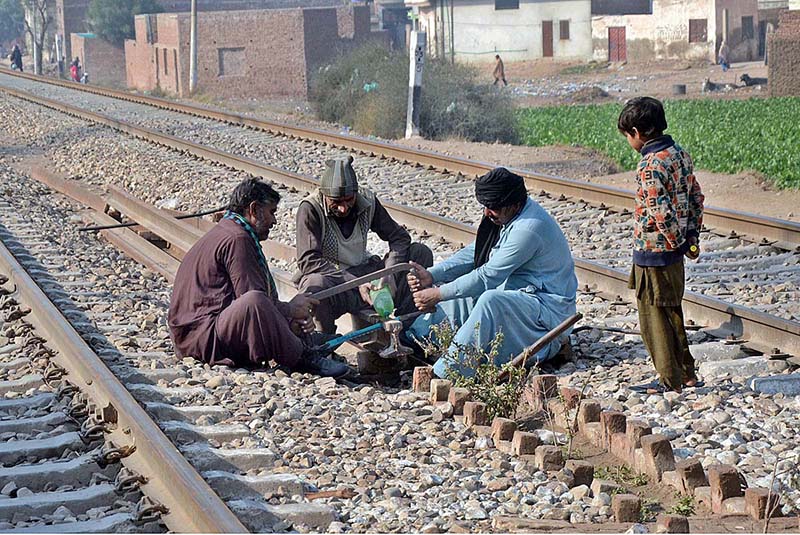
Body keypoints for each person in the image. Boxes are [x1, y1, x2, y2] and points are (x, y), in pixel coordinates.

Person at [406, 167, 578, 378]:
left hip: (547, 315)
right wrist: (432, 275)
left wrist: (438, 293)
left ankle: (447, 373)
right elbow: (476, 253)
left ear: (514, 205)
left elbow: (488, 276)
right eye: (485, 207)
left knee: (489, 300)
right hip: (521, 297)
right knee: (459, 298)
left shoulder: (528, 229)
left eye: (492, 208)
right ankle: (414, 343)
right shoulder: (505, 217)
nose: (487, 213)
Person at [168, 178, 349, 378]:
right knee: (255, 300)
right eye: (271, 212)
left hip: (198, 334)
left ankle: (299, 341)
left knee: (261, 303)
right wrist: (290, 310)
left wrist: (288, 321)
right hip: (202, 339)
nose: (274, 221)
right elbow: (253, 303)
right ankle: (303, 356)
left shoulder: (230, 230)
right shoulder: (238, 239)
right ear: (254, 210)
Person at [617, 96, 704, 394]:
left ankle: (669, 379)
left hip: (654, 253)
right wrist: (691, 237)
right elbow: (696, 196)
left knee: (653, 318)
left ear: (639, 132)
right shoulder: (679, 154)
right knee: (672, 311)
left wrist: (677, 243)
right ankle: (686, 373)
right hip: (675, 252)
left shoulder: (649, 165)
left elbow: (660, 212)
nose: (629, 141)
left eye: (628, 135)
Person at [295, 155, 433, 333]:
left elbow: (399, 238)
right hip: (336, 282)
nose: (343, 208)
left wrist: (389, 272)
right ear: (325, 196)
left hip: (365, 275)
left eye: (349, 200)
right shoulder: (310, 208)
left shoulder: (367, 201)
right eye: (336, 202)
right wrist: (356, 283)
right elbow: (309, 261)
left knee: (419, 253)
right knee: (314, 283)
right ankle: (323, 344)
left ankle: (406, 329)